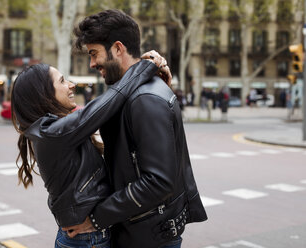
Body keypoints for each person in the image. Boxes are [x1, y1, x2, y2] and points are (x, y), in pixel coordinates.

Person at [63, 9, 207, 248]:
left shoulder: (145, 98)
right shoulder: (139, 90)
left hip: (148, 236)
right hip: (146, 229)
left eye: (94, 53)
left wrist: (97, 219)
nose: (92, 63)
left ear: (118, 48)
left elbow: (158, 181)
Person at [11, 57, 169, 247]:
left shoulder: (51, 131)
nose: (71, 85)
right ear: (44, 94)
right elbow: (108, 102)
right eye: (62, 81)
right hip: (87, 239)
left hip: (87, 237)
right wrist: (147, 66)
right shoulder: (52, 133)